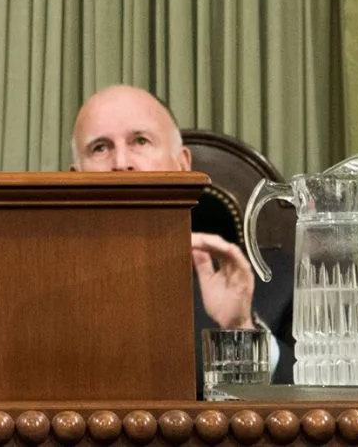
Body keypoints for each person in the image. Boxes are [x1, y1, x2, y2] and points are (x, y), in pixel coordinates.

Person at [70, 84, 294, 376]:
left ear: (183, 165)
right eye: (100, 148)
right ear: (74, 178)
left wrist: (241, 329)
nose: (121, 164)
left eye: (140, 141)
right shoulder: (39, 288)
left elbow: (319, 398)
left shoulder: (274, 281)